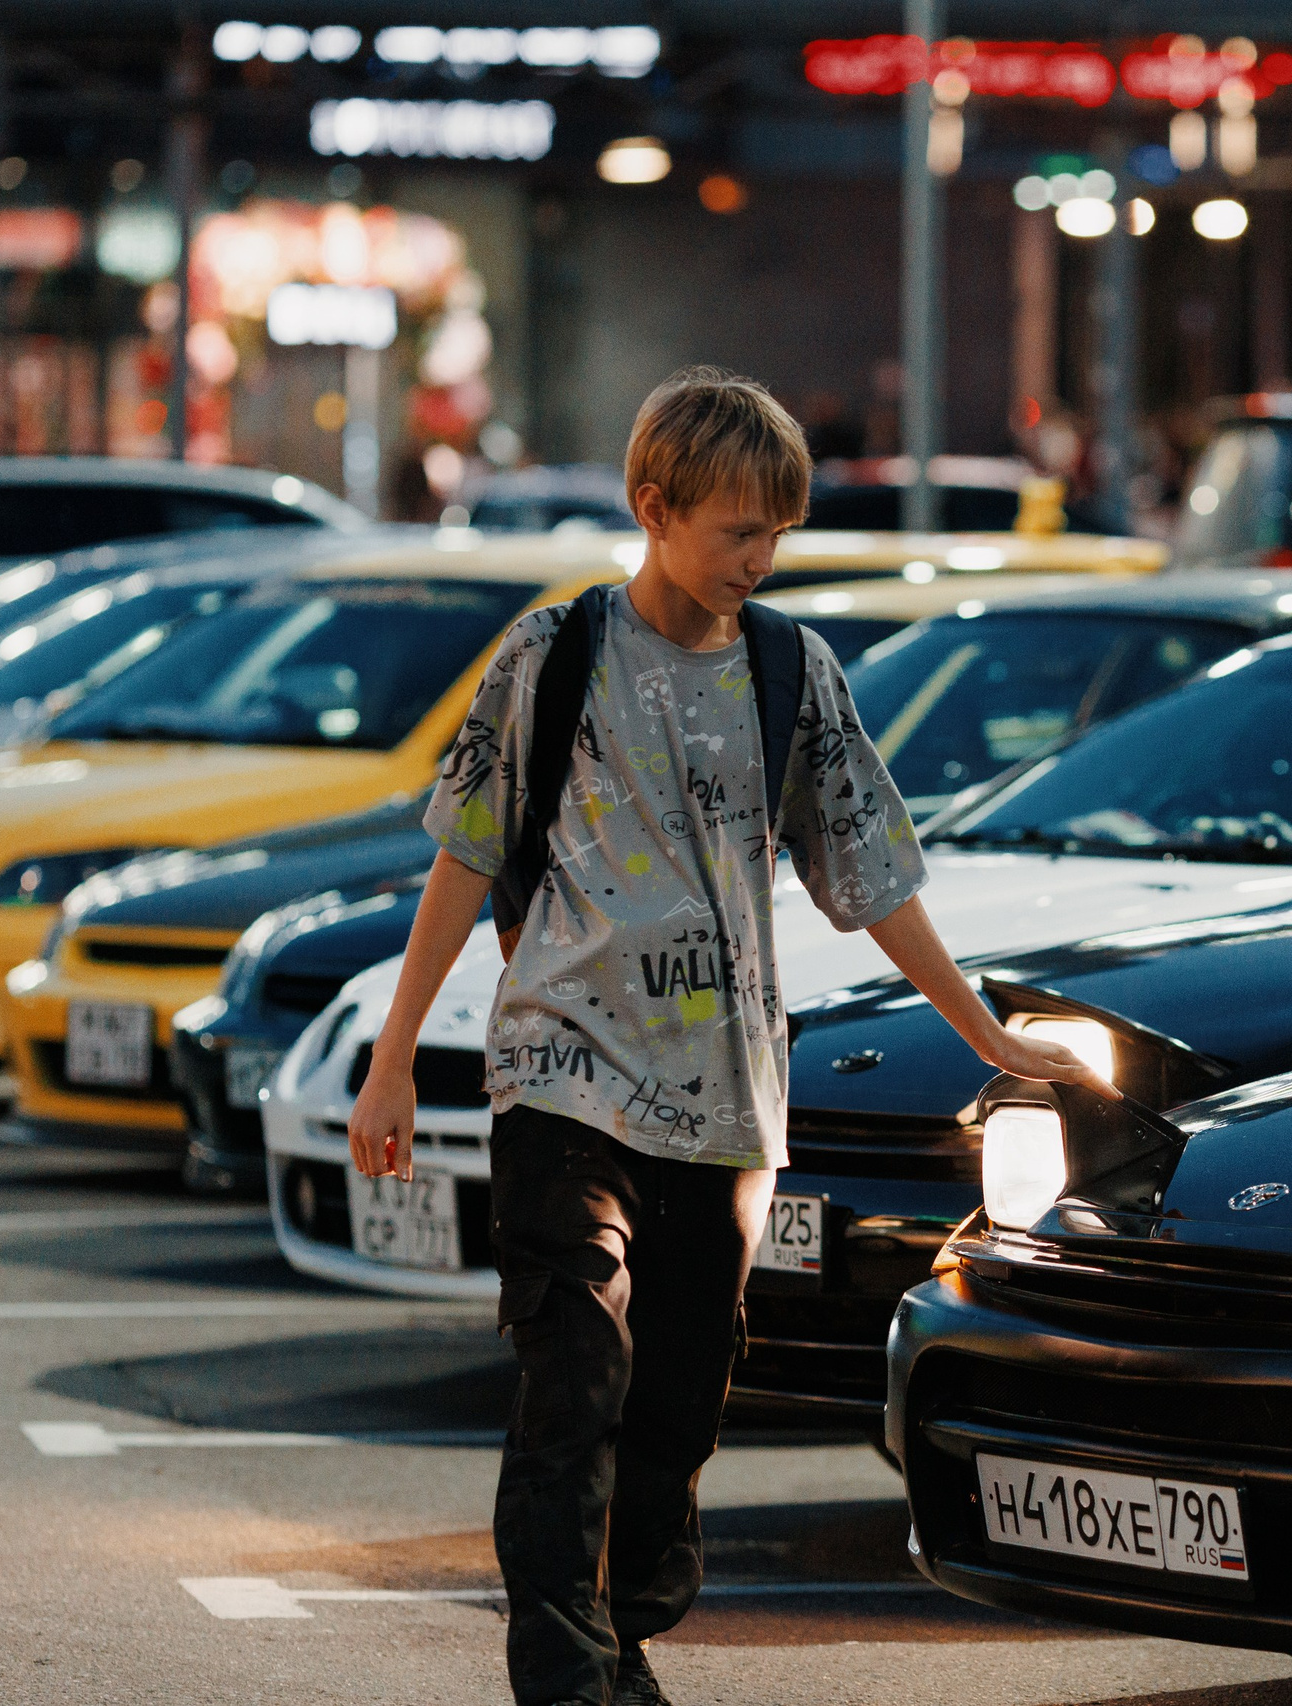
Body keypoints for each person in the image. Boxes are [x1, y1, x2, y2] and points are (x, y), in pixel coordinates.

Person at [347, 368, 1106, 1706]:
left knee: (678, 1400)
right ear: (654, 508)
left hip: (727, 1097)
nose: (759, 558)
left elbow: (871, 876)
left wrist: (986, 1031)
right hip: (559, 1074)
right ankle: (569, 1680)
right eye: (734, 530)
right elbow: (465, 858)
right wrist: (396, 1054)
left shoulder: (787, 669)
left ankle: (625, 1624)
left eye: (778, 533)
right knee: (572, 1376)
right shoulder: (553, 655)